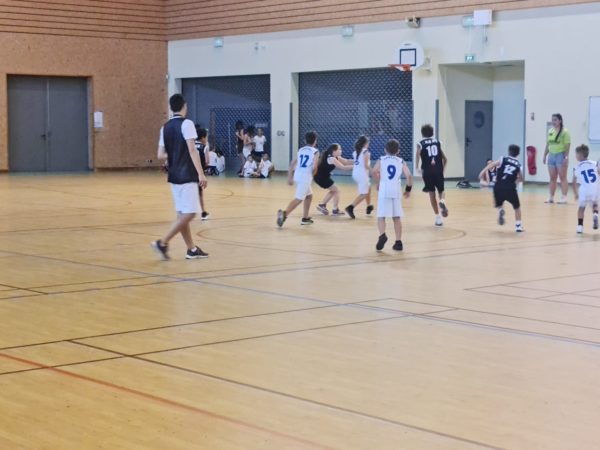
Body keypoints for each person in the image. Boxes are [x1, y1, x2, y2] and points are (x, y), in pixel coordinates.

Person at [152, 93, 208, 260]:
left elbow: (160, 154)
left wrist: (173, 154)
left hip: (174, 175)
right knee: (190, 214)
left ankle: (191, 249)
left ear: (171, 108)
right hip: (186, 175)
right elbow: (192, 149)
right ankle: (162, 242)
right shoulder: (187, 124)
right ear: (184, 106)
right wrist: (201, 174)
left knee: (182, 214)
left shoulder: (165, 127)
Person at [372, 139, 412, 251]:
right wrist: (408, 189)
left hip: (384, 189)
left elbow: (374, 171)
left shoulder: (381, 159)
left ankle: (382, 235)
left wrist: (378, 183)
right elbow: (409, 176)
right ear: (398, 151)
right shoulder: (401, 161)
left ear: (385, 150)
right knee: (396, 217)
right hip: (396, 190)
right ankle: (398, 242)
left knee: (381, 216)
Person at [277, 131, 319, 227]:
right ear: (315, 141)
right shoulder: (315, 151)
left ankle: (305, 218)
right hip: (305, 176)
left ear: (305, 140)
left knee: (309, 196)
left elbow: (292, 162)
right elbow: (314, 167)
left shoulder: (301, 150)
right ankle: (284, 214)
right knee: (299, 198)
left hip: (298, 174)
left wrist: (289, 177)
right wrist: (312, 175)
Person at [481, 144, 524, 232]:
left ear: (508, 152)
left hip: (498, 186)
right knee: (517, 208)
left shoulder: (502, 159)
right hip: (510, 188)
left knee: (499, 204)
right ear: (518, 154)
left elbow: (492, 164)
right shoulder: (518, 165)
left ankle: (500, 210)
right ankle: (518, 226)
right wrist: (515, 182)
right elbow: (521, 179)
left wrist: (482, 172)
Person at [415, 124, 448, 226]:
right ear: (432, 133)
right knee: (441, 191)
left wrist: (417, 167)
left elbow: (417, 154)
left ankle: (438, 218)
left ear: (422, 133)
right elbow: (445, 159)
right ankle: (442, 201)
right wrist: (442, 170)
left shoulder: (420, 143)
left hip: (427, 171)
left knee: (432, 194)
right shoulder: (437, 142)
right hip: (438, 170)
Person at [314, 143, 353, 216]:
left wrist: (357, 161)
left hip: (322, 177)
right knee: (337, 190)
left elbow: (346, 161)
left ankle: (322, 205)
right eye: (339, 149)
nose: (341, 150)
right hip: (321, 177)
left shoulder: (336, 157)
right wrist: (356, 166)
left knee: (334, 190)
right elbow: (343, 167)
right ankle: (335, 210)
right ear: (334, 151)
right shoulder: (331, 159)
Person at [543, 113, 571, 204]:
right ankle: (551, 197)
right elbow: (548, 144)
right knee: (552, 177)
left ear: (560, 121)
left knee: (562, 177)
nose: (553, 121)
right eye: (552, 120)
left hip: (560, 155)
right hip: (551, 155)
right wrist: (545, 155)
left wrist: (566, 157)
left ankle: (564, 197)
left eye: (555, 120)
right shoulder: (550, 131)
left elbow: (567, 145)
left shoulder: (565, 132)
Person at [571, 144, 600, 234]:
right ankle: (595, 213)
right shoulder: (595, 163)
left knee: (581, 208)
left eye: (576, 154)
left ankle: (580, 226)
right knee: (595, 204)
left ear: (580, 155)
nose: (575, 156)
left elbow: (573, 181)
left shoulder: (576, 167)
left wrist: (575, 193)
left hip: (584, 190)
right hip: (594, 188)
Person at [345, 135, 374, 219]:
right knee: (364, 193)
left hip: (356, 173)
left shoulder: (356, 152)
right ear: (365, 143)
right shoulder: (366, 152)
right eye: (368, 142)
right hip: (362, 174)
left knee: (368, 188)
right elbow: (366, 165)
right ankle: (351, 207)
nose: (368, 144)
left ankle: (369, 206)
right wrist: (373, 171)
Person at [195, 127, 210, 220]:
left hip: (188, 172)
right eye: (207, 137)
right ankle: (203, 213)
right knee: (199, 193)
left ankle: (183, 213)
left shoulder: (191, 145)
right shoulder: (204, 147)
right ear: (203, 137)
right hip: (198, 173)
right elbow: (207, 161)